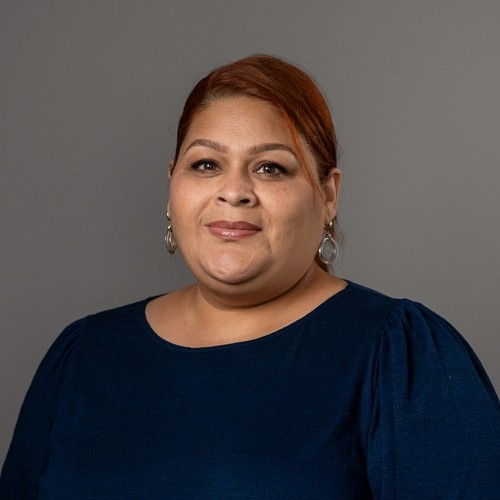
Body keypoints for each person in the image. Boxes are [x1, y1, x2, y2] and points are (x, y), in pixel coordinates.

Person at [1, 54, 499, 499]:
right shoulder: (83, 355)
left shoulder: (399, 355)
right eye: (206, 164)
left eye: (270, 168)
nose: (234, 190)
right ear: (172, 184)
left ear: (328, 196)